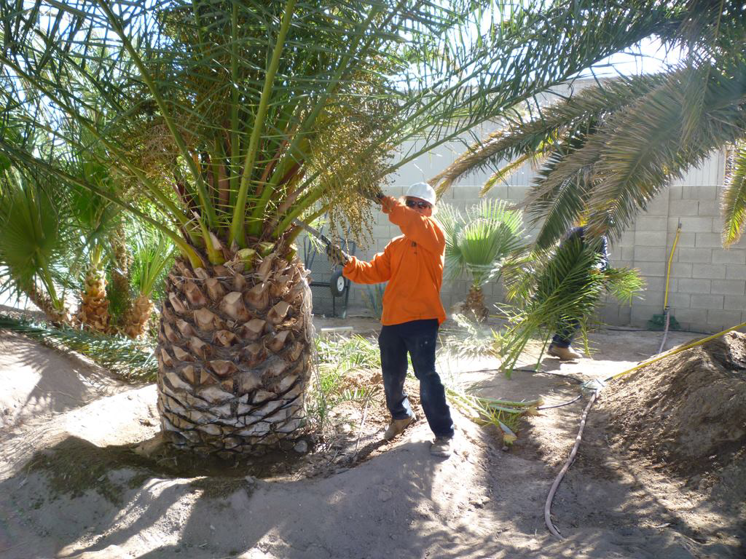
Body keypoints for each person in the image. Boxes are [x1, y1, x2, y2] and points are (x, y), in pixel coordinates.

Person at [325, 182, 455, 457]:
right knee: (392, 377)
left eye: (423, 205)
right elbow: (371, 272)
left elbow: (409, 221)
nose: (417, 209)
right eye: (412, 204)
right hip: (394, 321)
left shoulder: (434, 236)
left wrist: (384, 200)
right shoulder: (396, 246)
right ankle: (401, 416)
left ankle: (444, 434)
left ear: (430, 211)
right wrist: (347, 263)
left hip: (423, 319)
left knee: (427, 375)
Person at [547, 225, 609, 361]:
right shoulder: (577, 233)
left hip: (583, 280)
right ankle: (561, 346)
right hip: (565, 277)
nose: (603, 230)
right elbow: (563, 256)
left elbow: (603, 258)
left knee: (575, 312)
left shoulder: (601, 239)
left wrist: (598, 267)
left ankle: (558, 345)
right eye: (603, 226)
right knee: (572, 312)